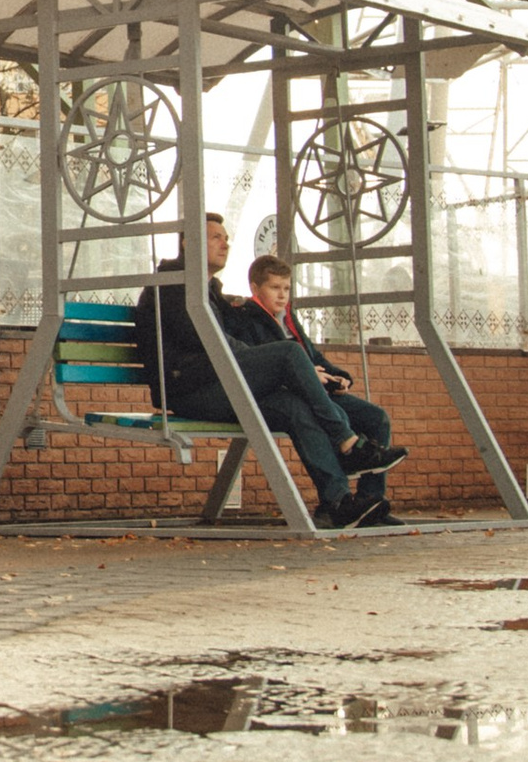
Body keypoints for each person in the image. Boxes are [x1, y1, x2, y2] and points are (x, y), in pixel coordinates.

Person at [128, 214, 391, 527]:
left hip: (216, 383)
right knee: (288, 355)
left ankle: (338, 502)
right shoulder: (172, 285)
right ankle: (347, 442)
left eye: (226, 237)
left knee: (294, 407)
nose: (225, 243)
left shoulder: (207, 289)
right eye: (216, 238)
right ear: (189, 242)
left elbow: (234, 338)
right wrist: (271, 361)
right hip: (188, 389)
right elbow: (208, 340)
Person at [234, 253, 409, 516]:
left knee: (376, 417)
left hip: (314, 391)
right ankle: (337, 497)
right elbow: (260, 362)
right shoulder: (245, 319)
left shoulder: (288, 319)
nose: (282, 295)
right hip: (281, 393)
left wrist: (339, 376)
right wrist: (309, 374)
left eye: (286, 288)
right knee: (324, 414)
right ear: (255, 288)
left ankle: (371, 501)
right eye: (274, 288)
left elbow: (313, 357)